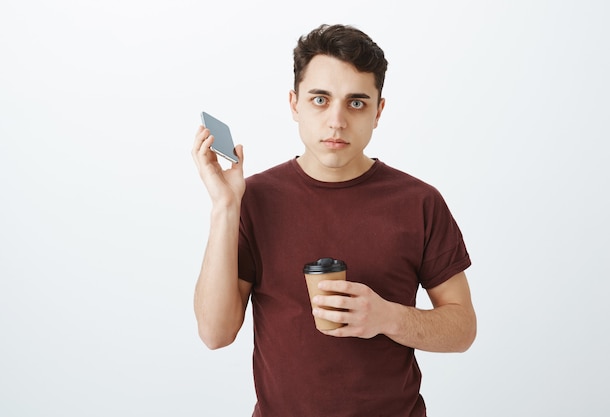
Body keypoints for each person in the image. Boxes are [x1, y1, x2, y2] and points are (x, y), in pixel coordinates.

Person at [191, 23, 476, 417]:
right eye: (320, 100)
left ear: (379, 111)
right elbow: (214, 334)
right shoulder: (252, 200)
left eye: (356, 103)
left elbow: (462, 329)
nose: (337, 121)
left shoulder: (419, 202)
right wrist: (225, 206)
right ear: (294, 104)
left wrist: (386, 316)